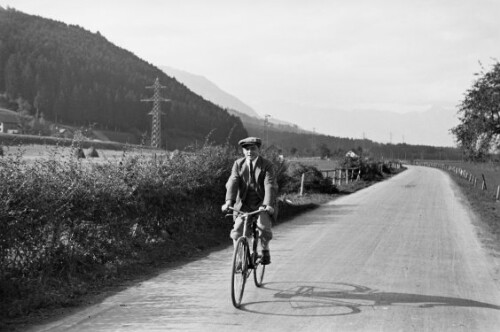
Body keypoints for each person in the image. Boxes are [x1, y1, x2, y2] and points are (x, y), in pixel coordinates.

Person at [222, 137, 277, 265]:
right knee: (237, 231)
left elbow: (269, 184)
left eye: (253, 148)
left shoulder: (267, 165)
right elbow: (233, 181)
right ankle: (240, 259)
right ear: (243, 151)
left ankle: (265, 250)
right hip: (244, 204)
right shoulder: (238, 164)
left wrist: (267, 204)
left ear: (258, 149)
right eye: (246, 149)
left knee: (263, 228)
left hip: (262, 203)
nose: (249, 152)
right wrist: (229, 201)